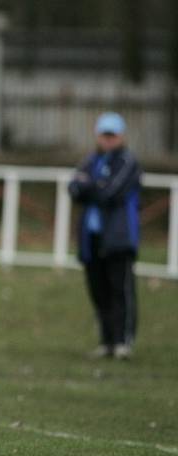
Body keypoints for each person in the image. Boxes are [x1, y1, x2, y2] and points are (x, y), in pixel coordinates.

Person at [69, 112, 140, 360]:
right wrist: (95, 185)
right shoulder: (90, 160)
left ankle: (123, 342)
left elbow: (111, 192)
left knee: (120, 290)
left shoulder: (128, 161)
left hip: (118, 238)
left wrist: (91, 185)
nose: (107, 140)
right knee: (99, 291)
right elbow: (74, 188)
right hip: (92, 239)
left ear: (121, 136)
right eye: (104, 134)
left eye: (112, 135)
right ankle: (107, 341)